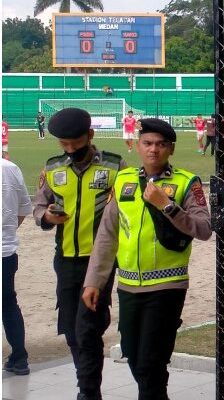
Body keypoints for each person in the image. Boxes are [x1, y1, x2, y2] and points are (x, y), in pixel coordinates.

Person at [82, 118, 212, 400]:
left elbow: (203, 229)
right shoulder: (124, 180)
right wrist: (94, 281)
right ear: (138, 146)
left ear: (171, 149)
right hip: (127, 285)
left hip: (167, 286)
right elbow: (107, 235)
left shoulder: (186, 182)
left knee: (150, 361)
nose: (154, 150)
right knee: (134, 356)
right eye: (148, 143)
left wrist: (166, 205)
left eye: (161, 144)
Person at [33, 108, 125, 400]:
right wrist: (47, 216)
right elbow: (38, 206)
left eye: (75, 142)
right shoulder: (52, 168)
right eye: (64, 144)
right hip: (65, 261)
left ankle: (88, 392)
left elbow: (128, 209)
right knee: (72, 331)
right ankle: (86, 386)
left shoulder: (115, 166)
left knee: (88, 329)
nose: (70, 149)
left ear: (90, 135)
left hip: (99, 263)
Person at [2, 158, 32, 376]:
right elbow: (23, 208)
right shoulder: (11, 168)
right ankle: (20, 357)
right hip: (5, 250)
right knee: (8, 304)